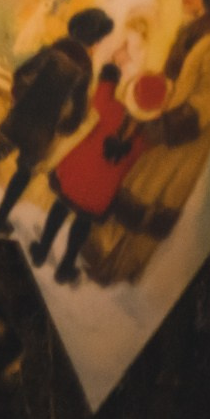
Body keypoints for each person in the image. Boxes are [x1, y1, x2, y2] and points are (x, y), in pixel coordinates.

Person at [81, 0, 210, 286]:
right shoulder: (197, 32)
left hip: (180, 147)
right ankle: (98, 261)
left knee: (148, 205)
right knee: (133, 193)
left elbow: (206, 102)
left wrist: (164, 124)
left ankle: (119, 271)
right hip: (161, 137)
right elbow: (176, 83)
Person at [0, 6, 113, 232]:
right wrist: (64, 126)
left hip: (22, 114)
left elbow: (21, 74)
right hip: (43, 129)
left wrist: (21, 98)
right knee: (23, 174)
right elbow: (78, 111)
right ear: (94, 39)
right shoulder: (85, 69)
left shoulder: (52, 50)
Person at [32, 67, 167, 283]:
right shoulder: (142, 142)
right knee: (82, 225)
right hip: (99, 194)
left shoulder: (109, 108)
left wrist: (112, 71)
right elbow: (152, 140)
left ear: (131, 93)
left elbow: (103, 88)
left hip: (75, 175)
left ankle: (41, 249)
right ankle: (66, 266)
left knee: (59, 209)